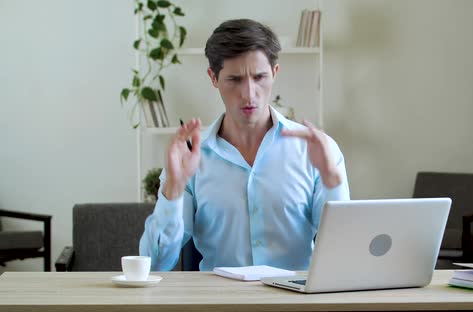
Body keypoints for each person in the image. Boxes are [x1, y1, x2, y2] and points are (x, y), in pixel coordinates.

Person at [139, 19, 350, 271]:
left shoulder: (316, 150)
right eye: (235, 80)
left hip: (296, 305)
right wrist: (173, 187)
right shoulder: (191, 157)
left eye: (259, 77)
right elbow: (155, 264)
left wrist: (331, 181)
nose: (249, 93)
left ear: (275, 73)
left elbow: (343, 260)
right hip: (219, 304)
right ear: (213, 78)